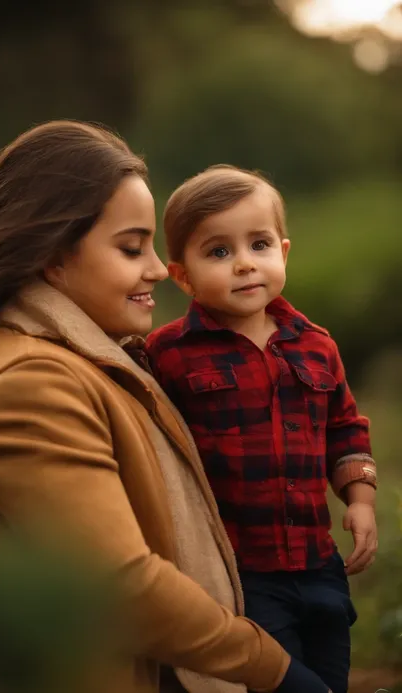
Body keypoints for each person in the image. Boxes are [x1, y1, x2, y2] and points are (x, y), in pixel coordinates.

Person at [0, 123, 330, 693]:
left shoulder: (95, 361)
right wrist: (275, 668)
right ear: (52, 258)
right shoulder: (30, 385)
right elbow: (120, 584)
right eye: (131, 246)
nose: (158, 268)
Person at [146, 165, 378, 693]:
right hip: (239, 569)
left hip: (318, 562)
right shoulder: (168, 354)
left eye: (259, 244)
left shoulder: (316, 345)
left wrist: (359, 499)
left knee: (330, 672)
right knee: (281, 680)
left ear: (284, 252)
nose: (246, 264)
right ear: (182, 276)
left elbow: (345, 427)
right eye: (219, 252)